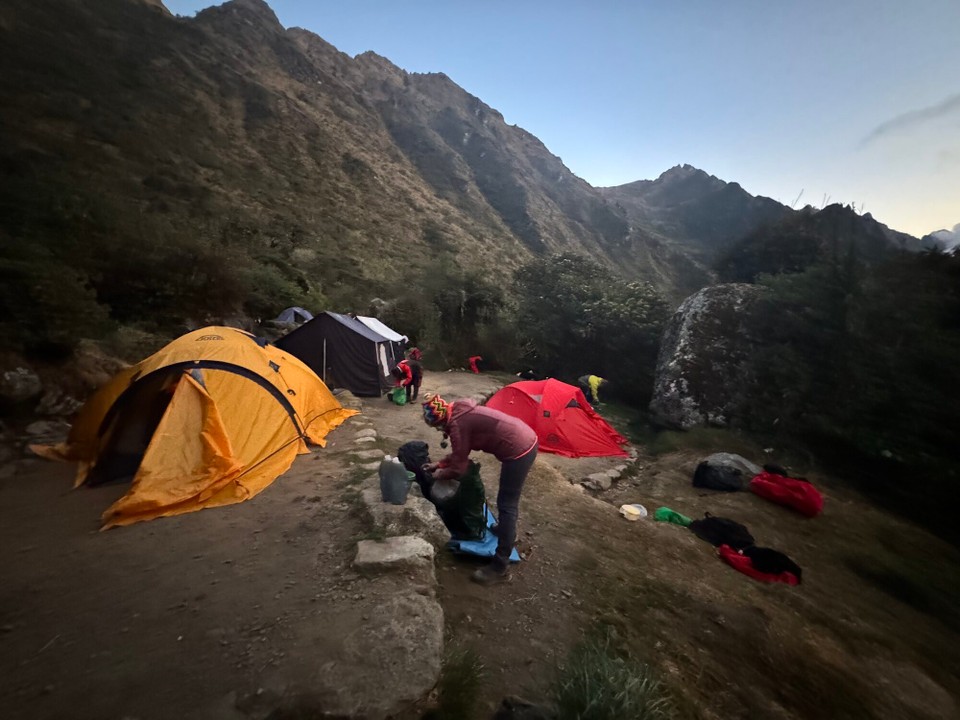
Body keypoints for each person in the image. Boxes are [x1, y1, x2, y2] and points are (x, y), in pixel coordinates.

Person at [421, 393, 538, 585]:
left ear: (440, 420)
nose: (439, 430)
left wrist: (438, 475)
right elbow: (461, 454)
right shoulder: (458, 412)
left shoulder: (457, 426)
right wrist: (440, 464)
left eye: (436, 427)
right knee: (507, 502)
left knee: (507, 504)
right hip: (524, 436)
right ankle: (504, 531)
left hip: (520, 450)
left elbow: (459, 468)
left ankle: (500, 566)